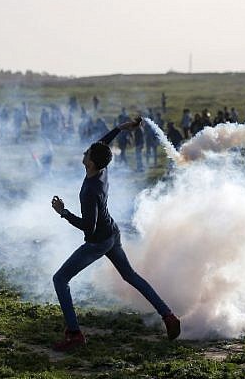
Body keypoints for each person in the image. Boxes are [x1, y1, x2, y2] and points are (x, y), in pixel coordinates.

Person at [50, 117, 180, 352]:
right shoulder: (101, 168)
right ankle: (168, 315)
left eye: (87, 152)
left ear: (90, 162)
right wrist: (120, 128)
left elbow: (89, 227)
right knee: (131, 276)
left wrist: (63, 212)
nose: (85, 151)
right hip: (112, 233)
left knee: (60, 280)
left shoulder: (91, 190)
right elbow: (102, 146)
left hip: (98, 241)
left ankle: (75, 334)